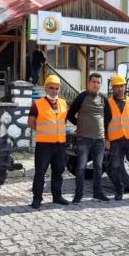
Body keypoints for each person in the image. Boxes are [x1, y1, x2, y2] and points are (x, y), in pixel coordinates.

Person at [28, 74, 71, 209]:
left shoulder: (64, 104)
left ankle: (57, 197)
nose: (54, 91)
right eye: (51, 88)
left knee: (58, 171)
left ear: (59, 89)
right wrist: (44, 132)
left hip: (60, 144)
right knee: (40, 172)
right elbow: (31, 123)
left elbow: (64, 121)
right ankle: (37, 198)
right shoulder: (37, 104)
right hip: (44, 145)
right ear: (46, 88)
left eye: (56, 88)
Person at [67, 73, 110, 204]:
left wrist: (106, 136)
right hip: (83, 139)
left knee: (98, 167)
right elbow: (70, 114)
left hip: (99, 140)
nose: (96, 84)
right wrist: (78, 124)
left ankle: (97, 192)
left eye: (98, 82)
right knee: (80, 167)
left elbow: (108, 118)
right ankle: (78, 195)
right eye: (94, 82)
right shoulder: (82, 97)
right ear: (88, 83)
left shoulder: (103, 98)